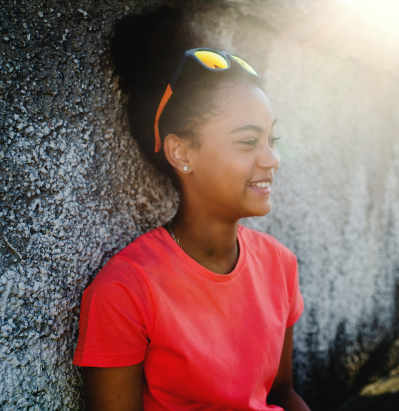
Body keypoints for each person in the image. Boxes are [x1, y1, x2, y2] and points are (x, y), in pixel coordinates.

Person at [73, 7, 310, 411]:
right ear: (182, 152)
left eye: (273, 138)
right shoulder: (126, 291)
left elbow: (281, 394)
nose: (272, 159)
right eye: (248, 141)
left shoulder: (280, 265)